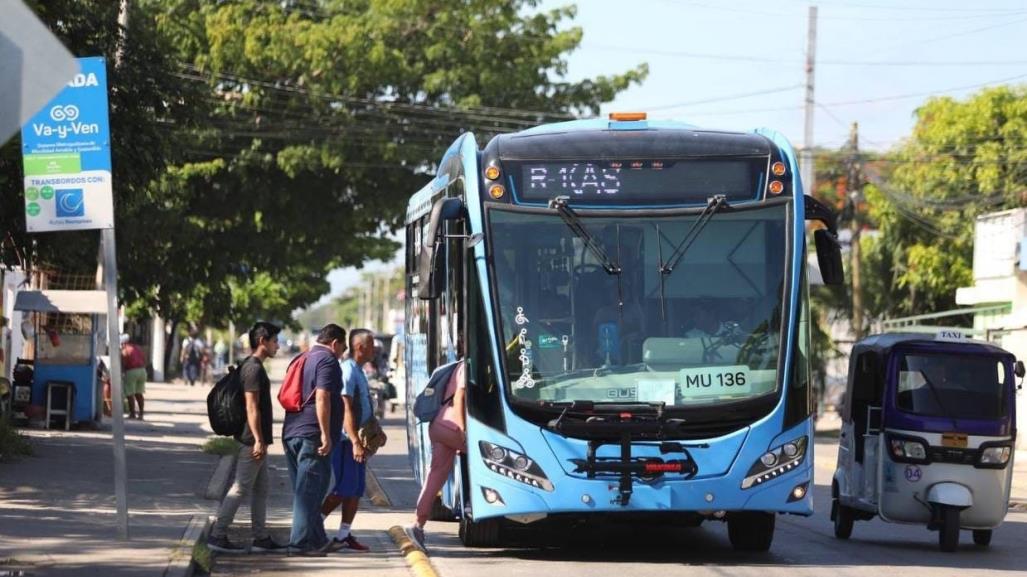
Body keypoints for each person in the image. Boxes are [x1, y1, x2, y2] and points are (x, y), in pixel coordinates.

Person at [207, 322, 287, 554]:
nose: (277, 346)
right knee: (241, 488)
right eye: (274, 341)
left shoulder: (253, 367)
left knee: (262, 489)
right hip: (250, 439)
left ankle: (261, 537)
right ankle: (218, 535)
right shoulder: (253, 369)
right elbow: (252, 408)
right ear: (262, 341)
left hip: (253, 438)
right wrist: (259, 440)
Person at [282, 323, 347, 556]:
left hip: (292, 432)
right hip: (312, 435)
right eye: (343, 347)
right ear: (335, 343)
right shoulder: (327, 360)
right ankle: (298, 545)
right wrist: (325, 434)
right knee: (308, 494)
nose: (343, 352)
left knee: (309, 492)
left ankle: (318, 540)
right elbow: (322, 398)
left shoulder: (303, 357)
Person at [320, 328, 375, 552]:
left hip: (357, 440)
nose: (374, 349)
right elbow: (345, 407)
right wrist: (354, 441)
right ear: (360, 347)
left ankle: (343, 535)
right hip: (345, 442)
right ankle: (313, 524)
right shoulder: (348, 370)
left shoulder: (359, 371)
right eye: (371, 345)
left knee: (355, 490)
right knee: (344, 488)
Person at [404, 360, 465, 552]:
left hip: (439, 424)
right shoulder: (466, 366)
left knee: (435, 475)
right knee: (492, 454)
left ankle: (417, 525)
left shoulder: (458, 365)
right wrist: (464, 431)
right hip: (452, 426)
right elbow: (459, 398)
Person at [121, 334, 147, 420]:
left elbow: (124, 362)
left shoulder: (125, 350)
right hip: (142, 371)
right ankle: (141, 414)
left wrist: (122, 371)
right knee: (139, 393)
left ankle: (132, 413)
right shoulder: (138, 348)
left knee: (130, 393)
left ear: (124, 343)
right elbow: (144, 359)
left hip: (131, 371)